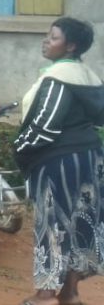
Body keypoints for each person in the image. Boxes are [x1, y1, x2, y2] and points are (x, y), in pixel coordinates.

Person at [13, 18, 103, 305]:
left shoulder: (58, 78)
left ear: (71, 46)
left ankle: (45, 295)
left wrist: (21, 149)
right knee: (82, 223)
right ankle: (70, 292)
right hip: (90, 158)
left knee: (53, 223)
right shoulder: (88, 76)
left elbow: (45, 126)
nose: (45, 41)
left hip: (58, 161)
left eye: (53, 37)